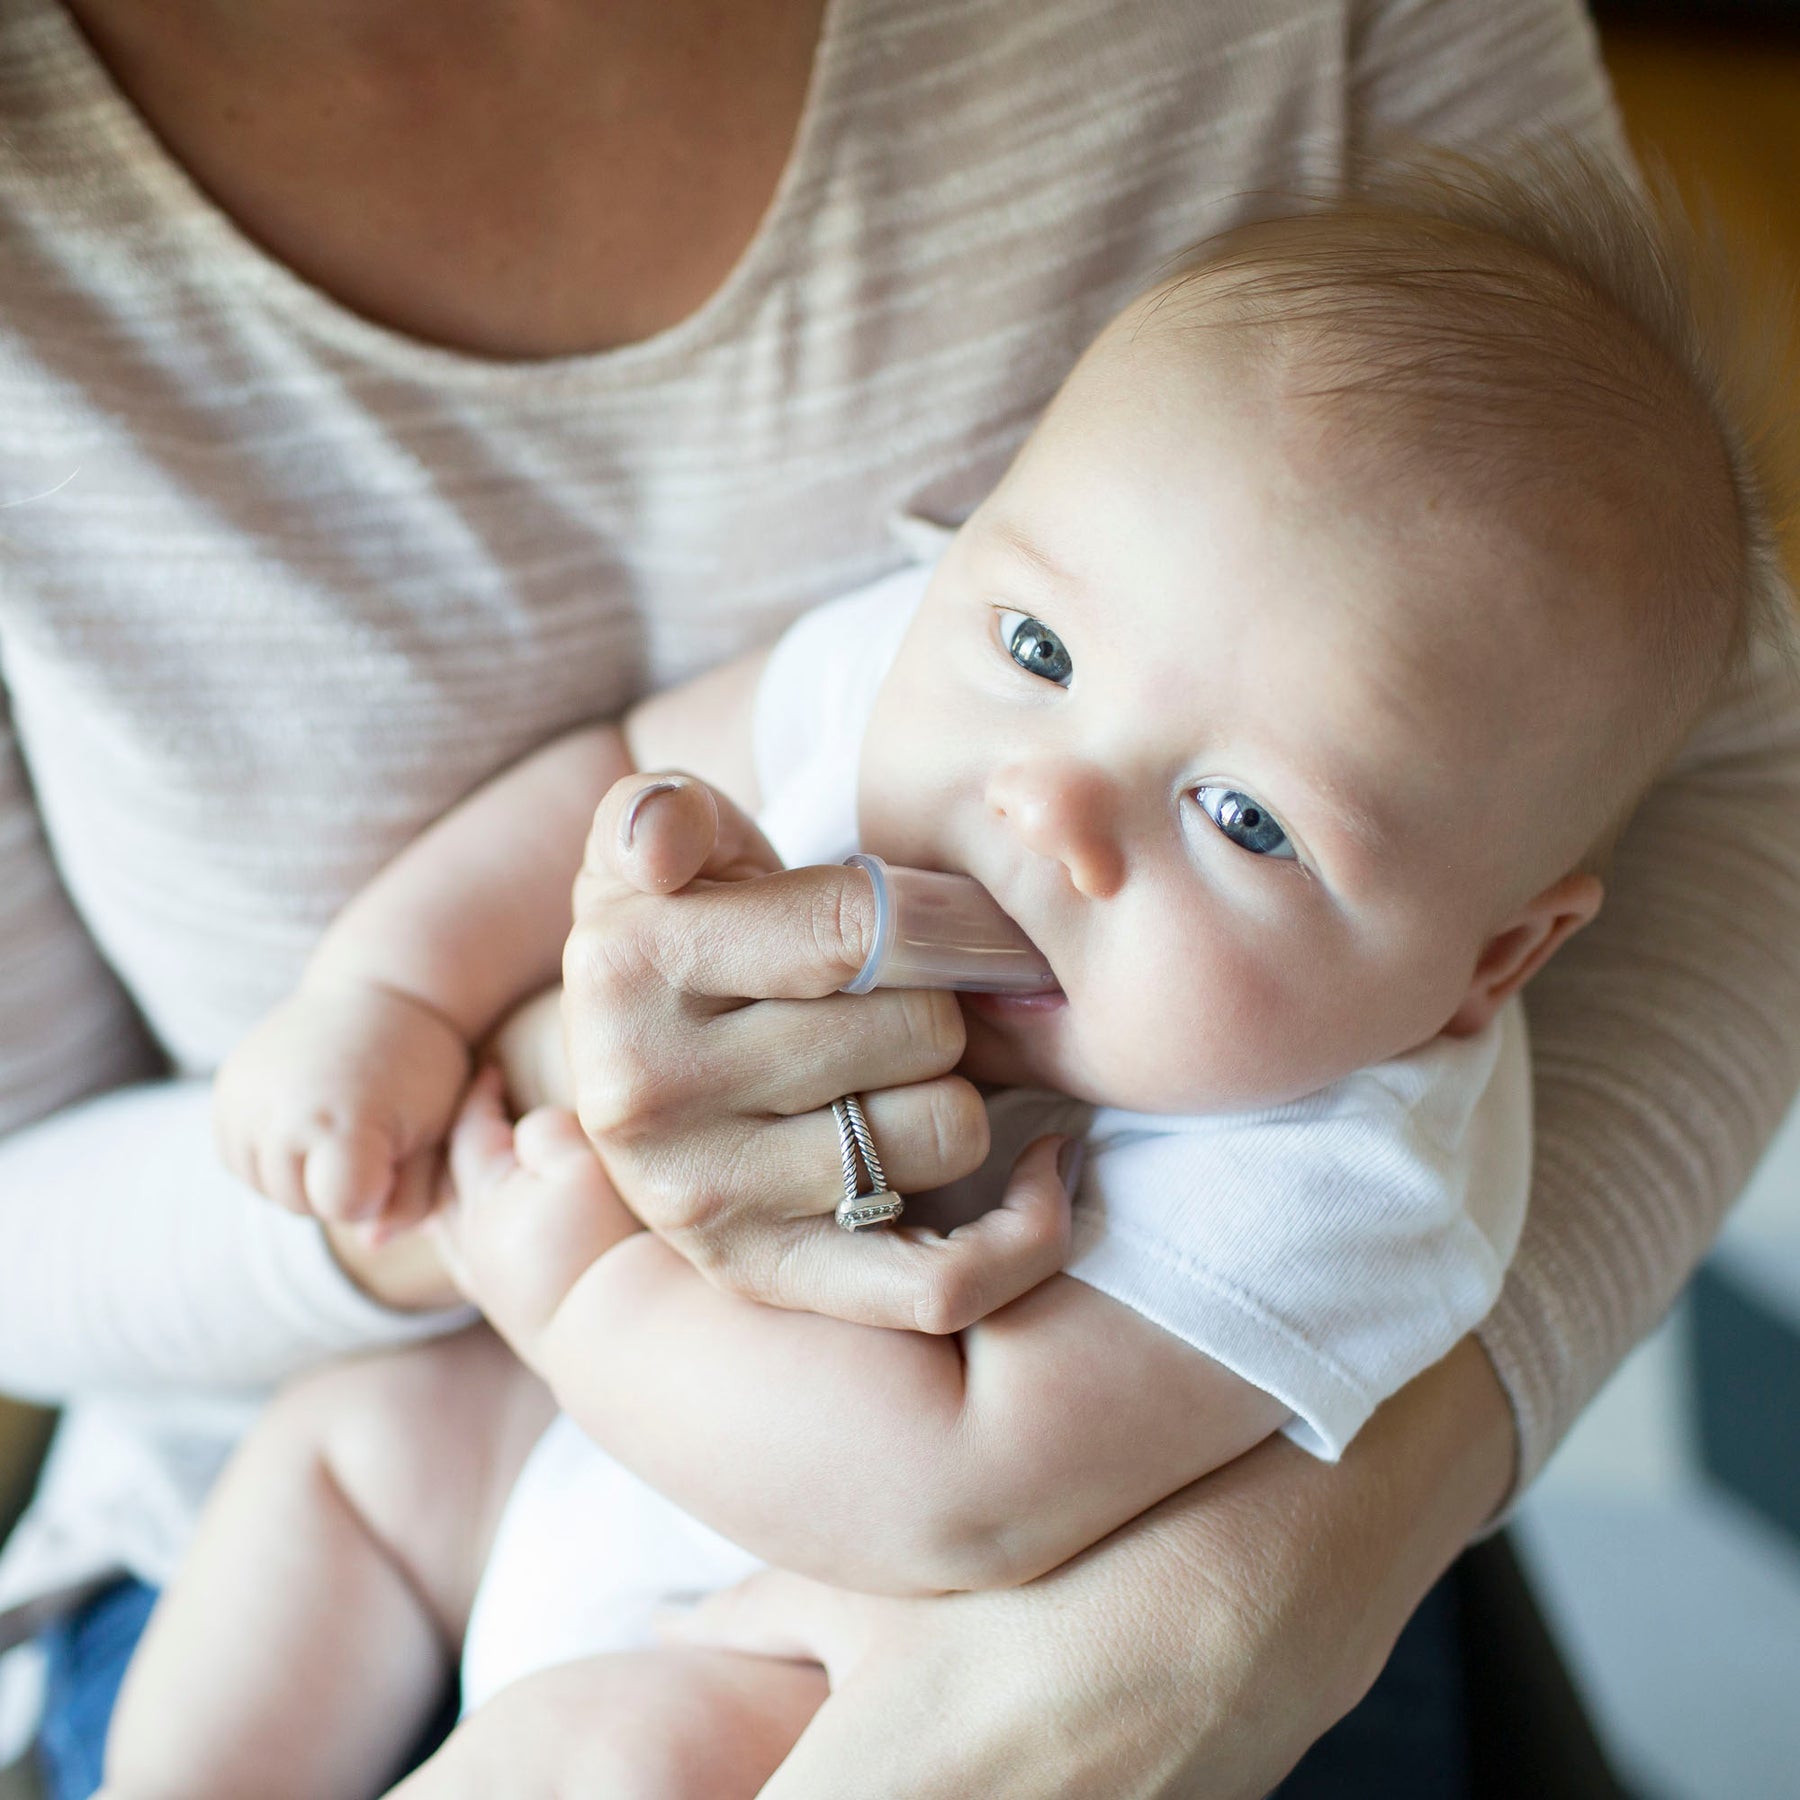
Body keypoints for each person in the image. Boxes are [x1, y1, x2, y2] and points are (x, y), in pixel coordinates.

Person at [0, 2, 1795, 1796]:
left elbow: (956, 1492)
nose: (1052, 807)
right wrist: (387, 1003)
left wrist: (572, 1281)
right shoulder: (975, 663)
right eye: (1030, 646)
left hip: (816, 1620)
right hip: (504, 1411)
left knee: (620, 1757)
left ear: (1488, 967)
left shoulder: (1343, 1172)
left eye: (1245, 819)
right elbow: (613, 759)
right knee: (346, 1451)